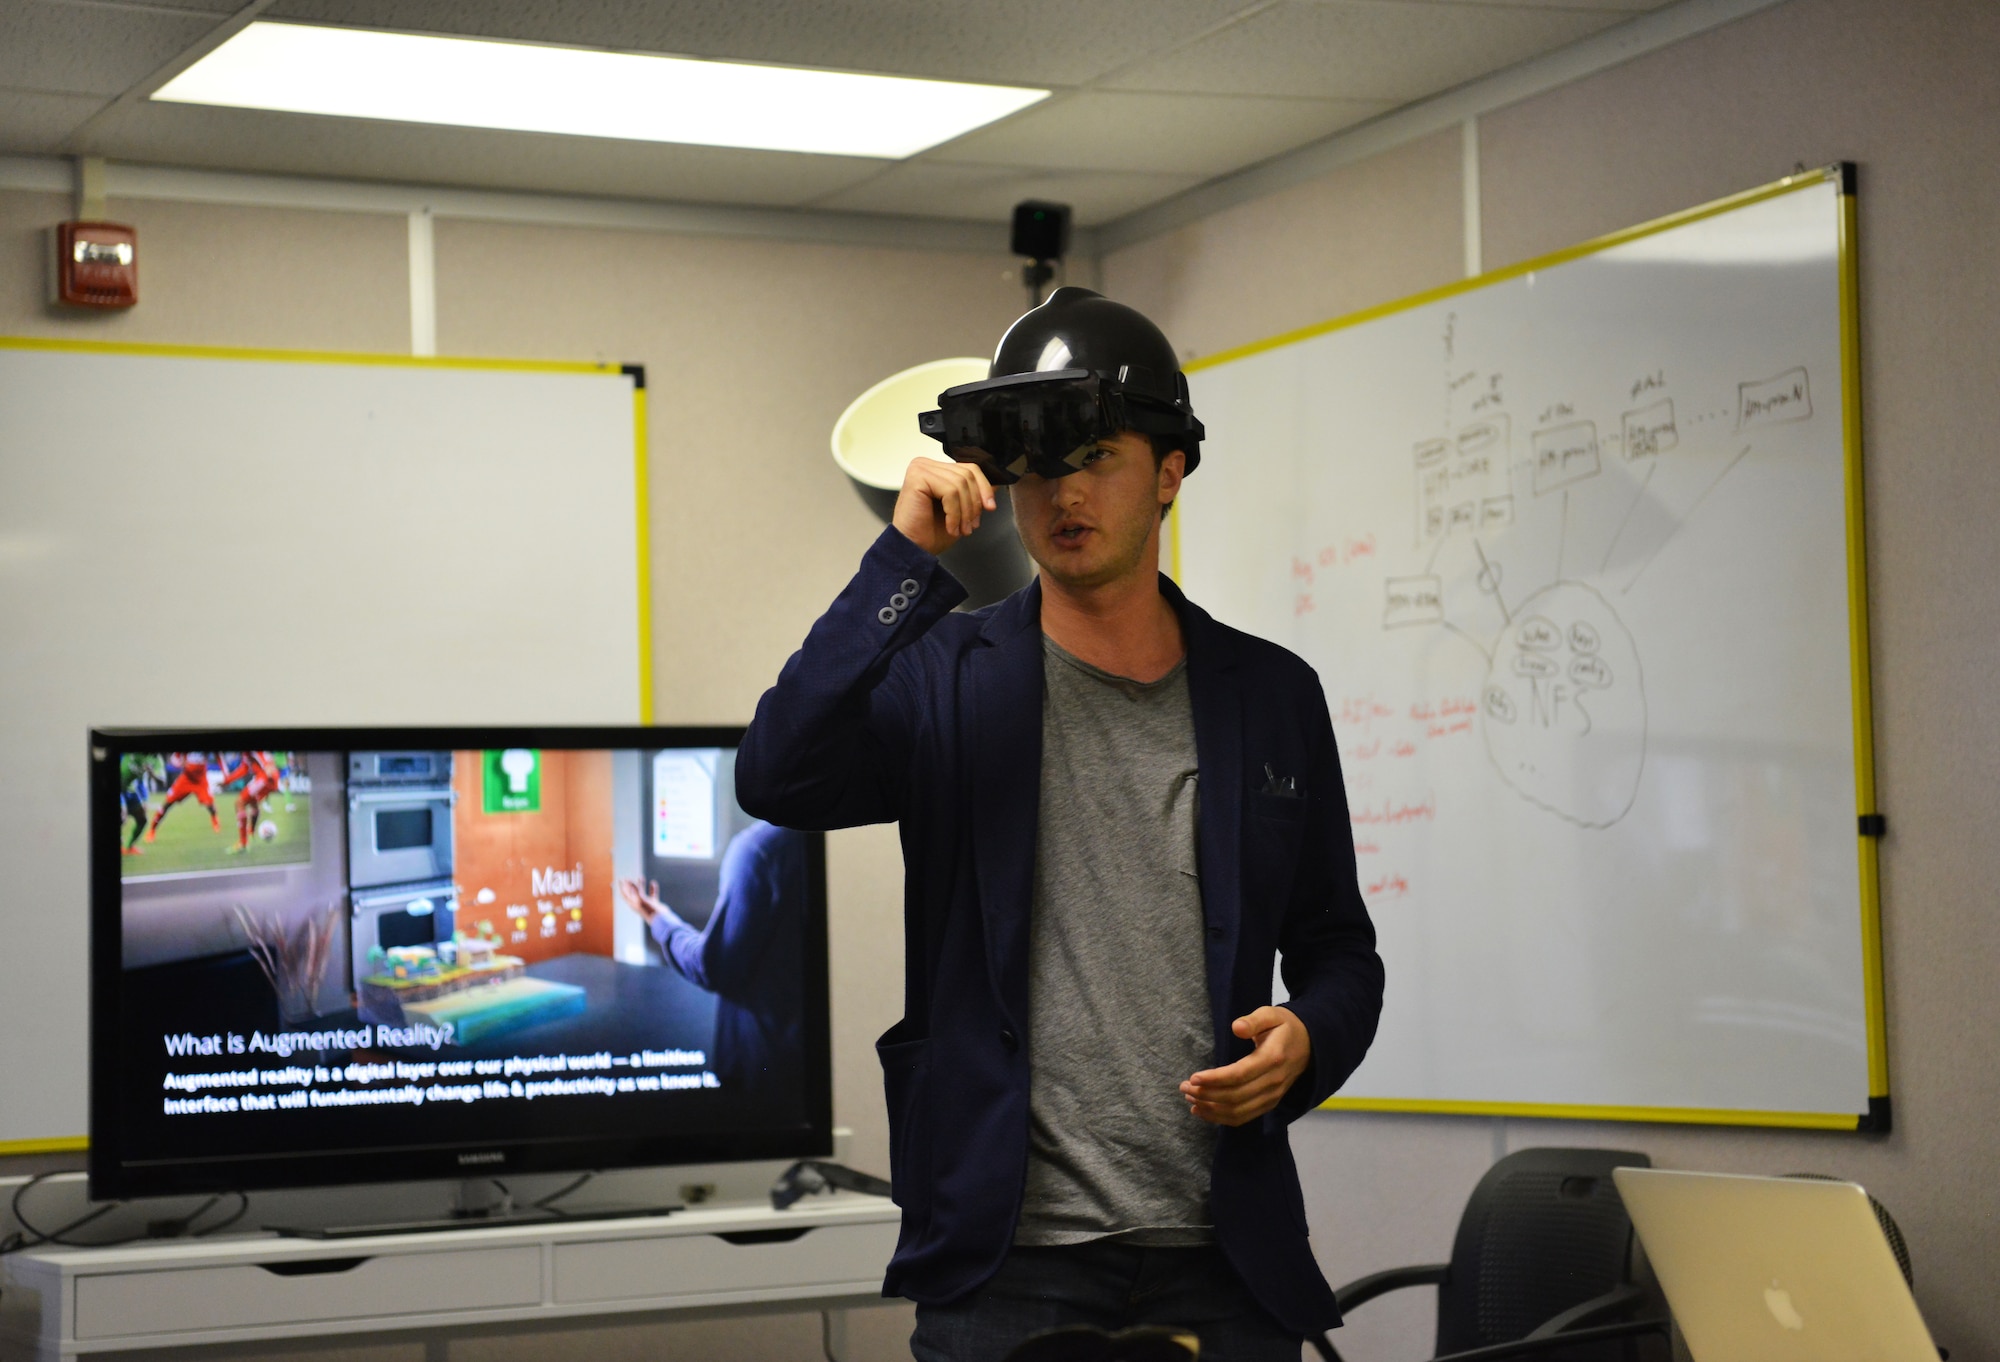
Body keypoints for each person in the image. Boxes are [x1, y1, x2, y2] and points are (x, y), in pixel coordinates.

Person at [736, 287, 1384, 1361]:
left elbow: (1337, 950)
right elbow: (778, 773)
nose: (1061, 492)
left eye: (1094, 456)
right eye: (1035, 466)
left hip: (1224, 1255)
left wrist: (1310, 1036)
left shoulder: (1271, 695)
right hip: (1008, 1261)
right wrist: (903, 563)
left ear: (1169, 469)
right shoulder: (946, 676)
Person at [615, 819, 807, 1100]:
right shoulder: (831, 838)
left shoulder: (757, 851)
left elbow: (713, 968)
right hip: (818, 1066)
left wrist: (658, 919)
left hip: (763, 1070)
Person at [146, 751, 219, 841]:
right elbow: (174, 758)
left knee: (210, 805)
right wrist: (180, 764)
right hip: (186, 779)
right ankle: (152, 829)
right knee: (167, 803)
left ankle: (215, 819)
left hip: (201, 781)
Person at [219, 749, 282, 854]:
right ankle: (251, 832)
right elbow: (244, 768)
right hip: (265, 778)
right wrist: (227, 781)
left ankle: (243, 844)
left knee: (239, 803)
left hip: (266, 778)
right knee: (253, 803)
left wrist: (269, 769)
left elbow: (263, 759)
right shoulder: (245, 755)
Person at [118, 753, 162, 855]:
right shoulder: (126, 755)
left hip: (129, 790)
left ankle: (128, 848)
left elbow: (140, 781)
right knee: (122, 815)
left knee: (142, 820)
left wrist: (145, 800)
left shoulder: (149, 760)